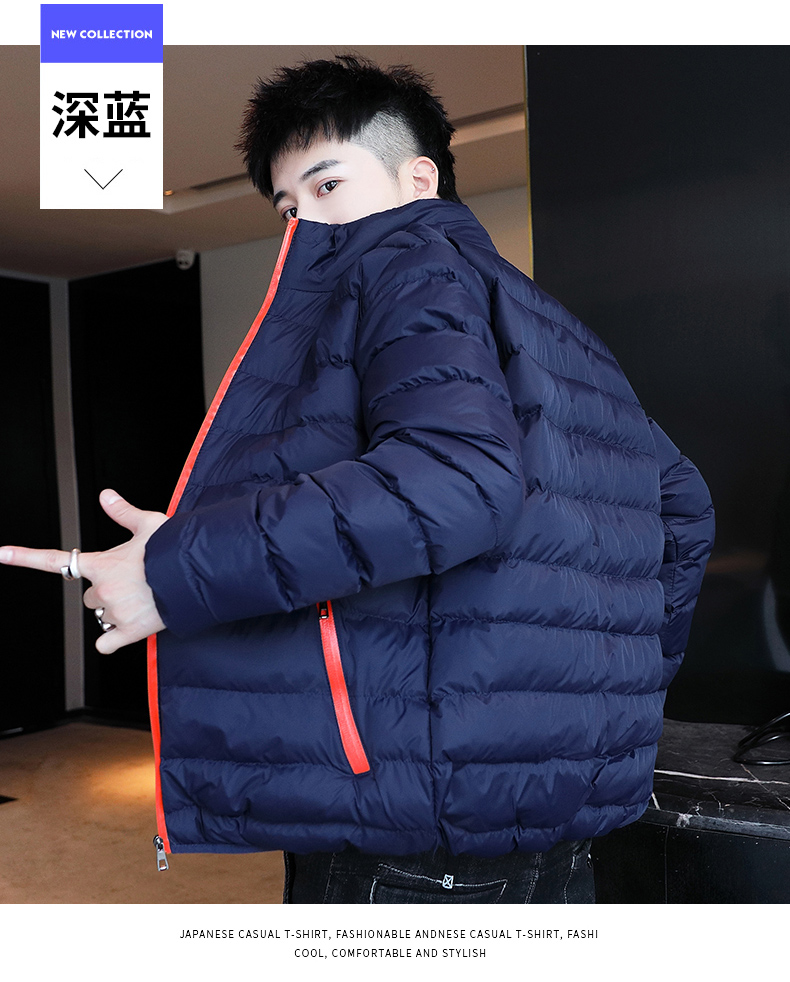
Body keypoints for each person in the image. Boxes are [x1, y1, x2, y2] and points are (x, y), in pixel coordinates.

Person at [0, 54, 714, 903]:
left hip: (414, 800)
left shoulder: (405, 268)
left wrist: (172, 572)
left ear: (420, 179)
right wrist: (604, 707)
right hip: (556, 799)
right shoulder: (557, 328)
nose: (305, 222)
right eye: (287, 206)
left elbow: (455, 480)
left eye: (328, 185)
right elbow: (684, 511)